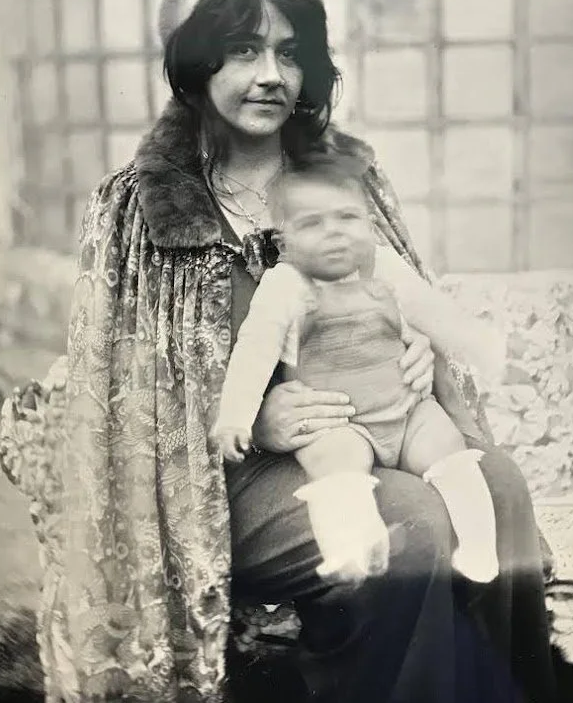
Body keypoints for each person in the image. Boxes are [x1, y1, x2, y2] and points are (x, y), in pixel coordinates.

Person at [59, 0, 558, 703]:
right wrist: (255, 415)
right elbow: (123, 405)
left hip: (379, 423)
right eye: (244, 51)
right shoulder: (137, 206)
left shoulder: (345, 176)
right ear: (198, 65)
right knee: (409, 526)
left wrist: (418, 347)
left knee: (500, 488)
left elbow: (401, 289)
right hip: (227, 478)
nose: (270, 76)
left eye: (290, 54)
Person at [213, 155, 502, 586]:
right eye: (312, 224)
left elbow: (433, 313)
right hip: (339, 421)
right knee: (337, 468)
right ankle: (350, 549)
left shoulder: (383, 267)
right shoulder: (285, 286)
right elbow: (253, 353)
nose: (334, 232)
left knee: (452, 454)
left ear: (369, 224)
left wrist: (477, 343)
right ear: (285, 239)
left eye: (347, 218)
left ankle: (479, 550)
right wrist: (236, 416)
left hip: (407, 412)